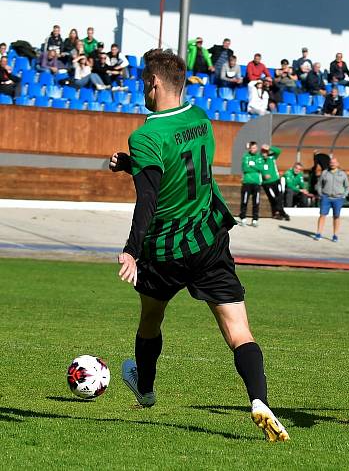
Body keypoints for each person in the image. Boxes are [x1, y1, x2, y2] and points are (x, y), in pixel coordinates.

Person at [107, 49, 288, 442]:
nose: (143, 88)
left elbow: (149, 200)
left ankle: (147, 388)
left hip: (164, 250)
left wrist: (130, 250)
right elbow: (182, 165)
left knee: (151, 319)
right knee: (239, 331)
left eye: (143, 82)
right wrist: (131, 163)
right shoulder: (202, 119)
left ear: (153, 83)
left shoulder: (146, 135)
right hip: (207, 240)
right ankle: (259, 401)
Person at [315, 157, 349, 241]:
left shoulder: (342, 174)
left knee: (336, 216)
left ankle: (335, 235)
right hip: (326, 198)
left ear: (338, 164)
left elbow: (347, 186)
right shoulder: (325, 173)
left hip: (338, 198)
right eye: (331, 162)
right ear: (329, 164)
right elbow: (319, 185)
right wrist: (321, 194)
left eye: (334, 162)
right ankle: (318, 233)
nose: (332, 164)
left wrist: (344, 195)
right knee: (322, 215)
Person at [260, 144, 289, 221]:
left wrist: (269, 147)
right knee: (273, 198)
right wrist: (264, 175)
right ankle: (280, 213)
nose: (264, 154)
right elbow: (257, 169)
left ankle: (279, 212)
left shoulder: (272, 157)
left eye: (266, 152)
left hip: (276, 181)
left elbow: (279, 151)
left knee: (280, 196)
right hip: (267, 183)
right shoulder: (259, 160)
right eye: (263, 152)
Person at [238, 142, 263, 227]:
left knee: (256, 202)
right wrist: (255, 167)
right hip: (247, 182)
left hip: (257, 183)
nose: (254, 149)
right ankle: (243, 218)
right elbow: (245, 168)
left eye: (255, 147)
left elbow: (261, 168)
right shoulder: (246, 156)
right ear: (249, 148)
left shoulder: (259, 157)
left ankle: (255, 220)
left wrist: (252, 165)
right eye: (252, 148)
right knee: (244, 201)